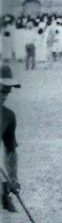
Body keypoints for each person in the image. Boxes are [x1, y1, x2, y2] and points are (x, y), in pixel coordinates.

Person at [1, 64, 21, 212]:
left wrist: (12, 179)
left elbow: (10, 150)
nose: (4, 95)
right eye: (2, 90)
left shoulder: (8, 116)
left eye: (8, 91)